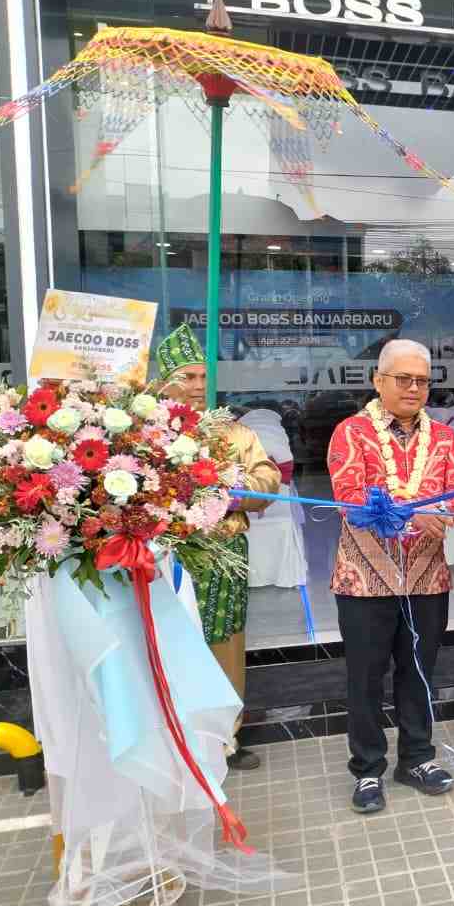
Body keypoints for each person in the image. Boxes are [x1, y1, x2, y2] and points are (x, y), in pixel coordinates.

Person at [327, 339, 454, 813]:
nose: (414, 388)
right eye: (403, 379)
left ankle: (416, 758)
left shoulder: (444, 437)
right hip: (364, 580)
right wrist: (414, 515)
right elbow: (351, 498)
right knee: (365, 677)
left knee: (418, 671)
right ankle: (367, 768)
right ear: (378, 381)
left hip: (426, 578)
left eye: (422, 381)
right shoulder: (351, 433)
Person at [156, 323, 281, 771]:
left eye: (204, 377)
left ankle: (226, 738)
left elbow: (269, 480)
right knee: (169, 644)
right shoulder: (147, 435)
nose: (198, 386)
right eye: (188, 377)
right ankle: (173, 740)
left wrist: (230, 490)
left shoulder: (233, 433)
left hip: (224, 555)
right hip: (166, 558)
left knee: (225, 645)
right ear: (163, 381)